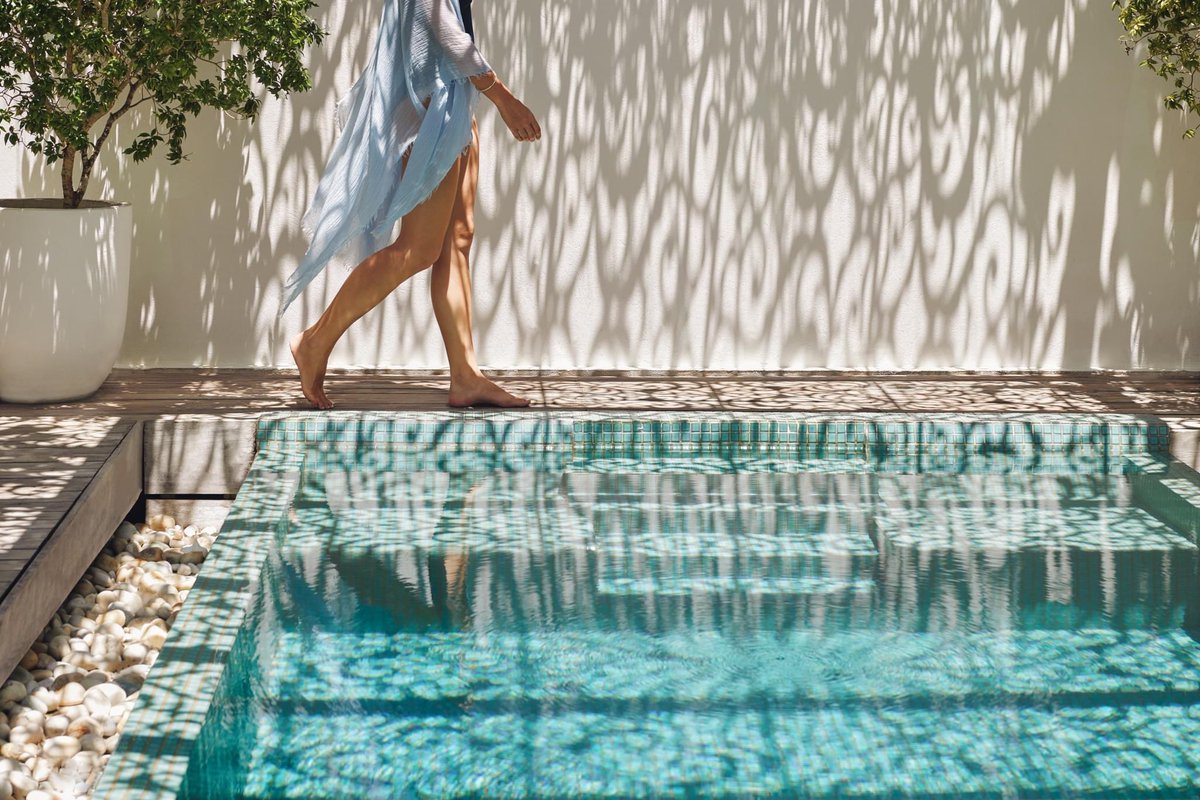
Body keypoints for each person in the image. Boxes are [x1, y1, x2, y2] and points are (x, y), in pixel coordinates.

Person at [285, 0, 541, 409]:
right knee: (418, 249)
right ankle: (314, 342)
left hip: (451, 107)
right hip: (428, 113)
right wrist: (503, 98)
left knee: (457, 240)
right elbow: (440, 28)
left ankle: (465, 376)